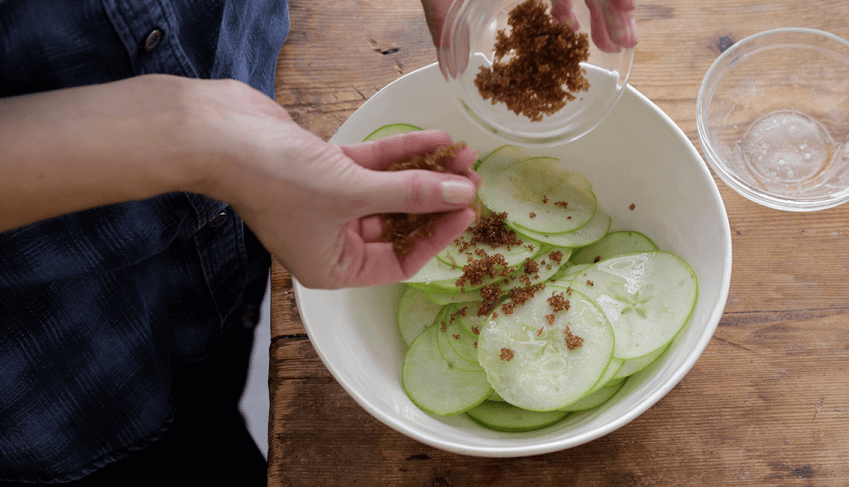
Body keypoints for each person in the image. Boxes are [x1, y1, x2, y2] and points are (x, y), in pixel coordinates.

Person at [0, 0, 637, 484]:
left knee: (216, 398)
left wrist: (223, 150)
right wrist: (194, 133)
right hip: (47, 343)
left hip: (236, 161)